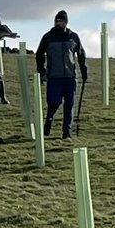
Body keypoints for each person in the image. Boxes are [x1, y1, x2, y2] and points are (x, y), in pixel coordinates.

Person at [36, 11, 88, 139]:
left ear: (66, 23)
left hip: (70, 77)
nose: (58, 23)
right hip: (54, 76)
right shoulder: (48, 37)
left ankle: (67, 132)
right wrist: (41, 71)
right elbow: (39, 54)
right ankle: (49, 119)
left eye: (61, 21)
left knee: (69, 104)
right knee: (54, 102)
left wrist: (84, 70)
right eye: (56, 21)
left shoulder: (73, 37)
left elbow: (81, 54)